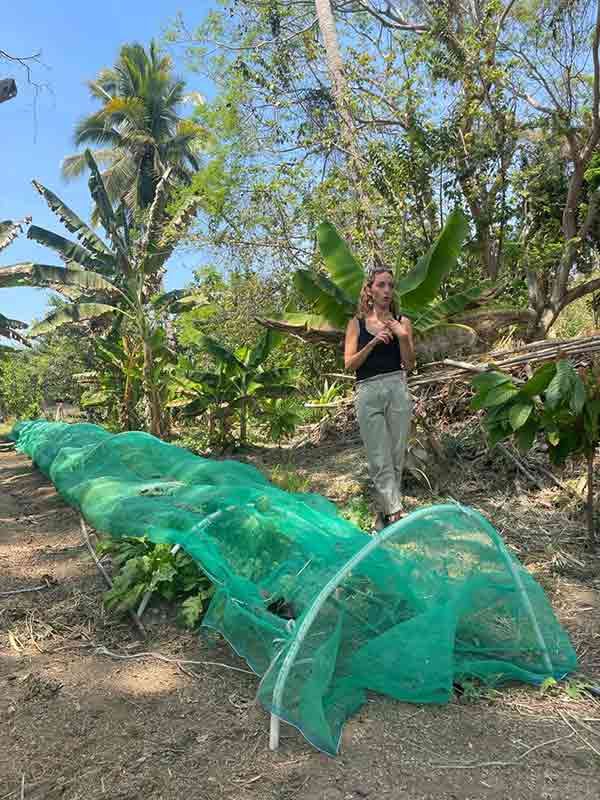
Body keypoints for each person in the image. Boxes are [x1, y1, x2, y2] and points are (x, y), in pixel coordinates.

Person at [344, 266, 415, 530]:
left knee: (396, 455)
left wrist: (402, 337)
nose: (387, 291)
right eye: (381, 285)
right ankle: (395, 513)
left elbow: (409, 364)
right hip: (368, 390)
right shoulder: (356, 324)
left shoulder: (402, 322)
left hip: (397, 387)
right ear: (370, 290)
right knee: (378, 456)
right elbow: (350, 365)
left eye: (390, 286)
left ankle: (385, 516)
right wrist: (373, 343)